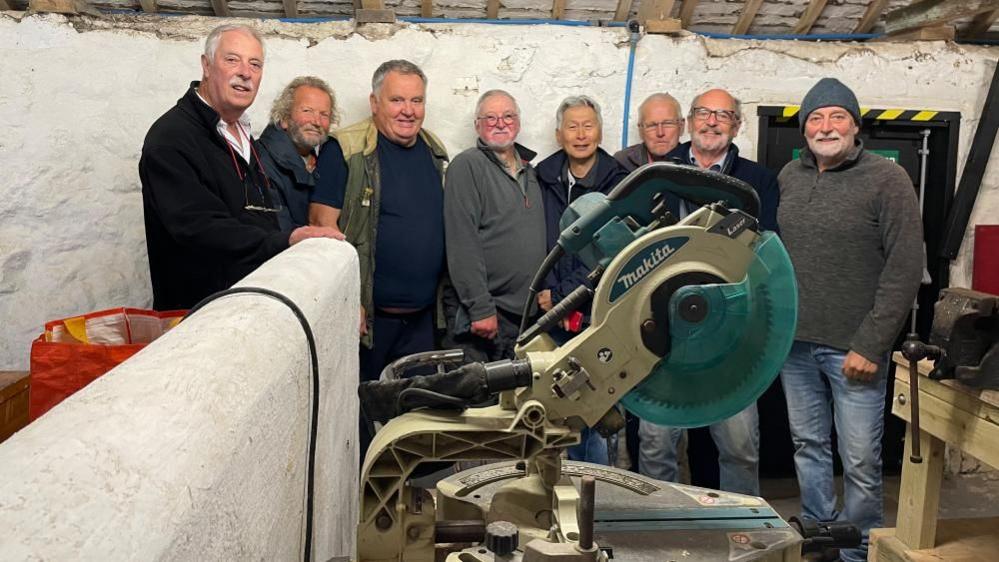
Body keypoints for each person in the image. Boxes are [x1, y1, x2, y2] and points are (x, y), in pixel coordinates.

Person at [778, 78, 923, 562]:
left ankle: (859, 552)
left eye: (837, 116)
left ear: (855, 126)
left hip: (854, 348)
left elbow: (905, 268)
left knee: (860, 460)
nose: (826, 126)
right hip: (794, 345)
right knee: (808, 446)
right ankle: (821, 541)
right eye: (816, 118)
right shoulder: (789, 177)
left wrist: (872, 343)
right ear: (804, 130)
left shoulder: (887, 179)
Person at [639, 88, 781, 496]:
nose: (712, 122)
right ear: (689, 122)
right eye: (703, 113)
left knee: (739, 445)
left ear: (737, 125)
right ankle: (658, 529)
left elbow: (765, 249)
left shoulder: (757, 181)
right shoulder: (659, 173)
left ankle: (742, 533)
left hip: (730, 330)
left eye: (723, 115)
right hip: (662, 329)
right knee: (656, 442)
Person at [140, 24, 338, 311]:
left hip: (249, 309)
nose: (245, 72)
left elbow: (255, 216)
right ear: (206, 66)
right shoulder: (171, 138)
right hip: (199, 319)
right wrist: (285, 239)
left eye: (255, 64)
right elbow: (199, 228)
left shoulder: (243, 133)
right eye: (232, 59)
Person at [309, 60, 449, 457]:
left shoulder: (434, 150)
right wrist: (349, 300)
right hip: (369, 322)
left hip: (422, 319)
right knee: (362, 424)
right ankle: (363, 509)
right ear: (374, 102)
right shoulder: (347, 149)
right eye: (397, 99)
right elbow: (321, 229)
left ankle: (408, 505)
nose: (408, 110)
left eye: (417, 100)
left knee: (416, 424)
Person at [536, 95, 628, 465]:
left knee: (600, 411)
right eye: (572, 126)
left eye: (588, 125)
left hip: (601, 316)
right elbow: (542, 242)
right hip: (555, 322)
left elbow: (613, 251)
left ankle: (600, 496)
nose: (580, 134)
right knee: (560, 412)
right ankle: (568, 498)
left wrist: (561, 294)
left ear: (600, 132)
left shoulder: (619, 183)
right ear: (559, 134)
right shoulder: (542, 178)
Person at [442, 90, 546, 363]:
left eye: (508, 116)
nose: (500, 123)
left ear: (518, 122)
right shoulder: (467, 166)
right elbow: (461, 241)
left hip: (522, 317)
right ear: (477, 124)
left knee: (512, 402)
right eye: (490, 117)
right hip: (486, 315)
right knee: (477, 400)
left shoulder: (531, 171)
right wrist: (480, 307)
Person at [258, 76, 338, 231]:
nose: (316, 121)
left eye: (324, 114)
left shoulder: (322, 161)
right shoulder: (260, 162)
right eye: (307, 111)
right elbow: (279, 236)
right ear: (284, 118)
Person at [614, 92, 685, 171]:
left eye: (667, 124)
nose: (660, 133)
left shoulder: (694, 162)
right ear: (641, 130)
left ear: (681, 127)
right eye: (652, 125)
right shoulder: (621, 163)